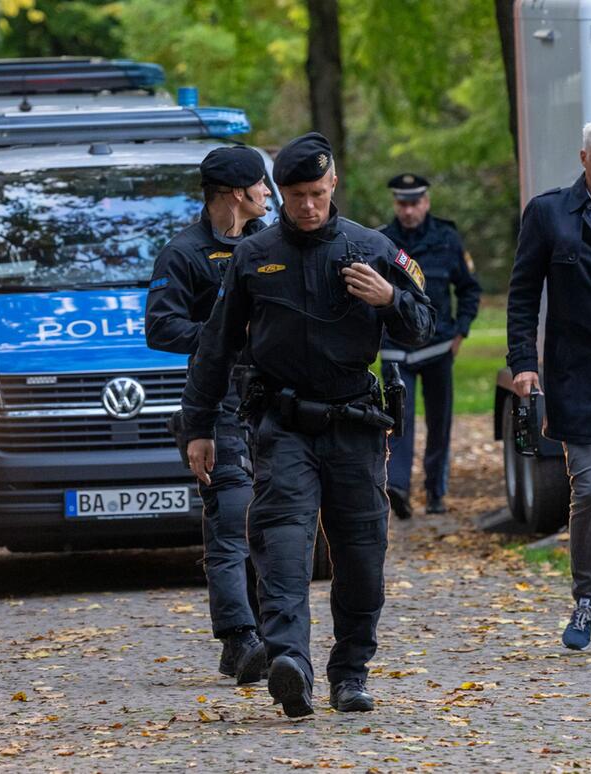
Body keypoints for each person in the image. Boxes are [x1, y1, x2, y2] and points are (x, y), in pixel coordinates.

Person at [182, 133, 434, 717]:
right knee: (283, 546)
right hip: (285, 425)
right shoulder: (253, 254)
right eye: (295, 195)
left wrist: (388, 298)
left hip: (354, 426)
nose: (307, 207)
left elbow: (422, 325)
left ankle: (350, 673)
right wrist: (197, 426)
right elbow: (216, 347)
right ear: (278, 193)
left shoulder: (372, 248)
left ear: (334, 184)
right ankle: (289, 661)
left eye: (317, 193)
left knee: (362, 560)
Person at [145, 145, 272, 684]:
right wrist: (223, 337)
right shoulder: (184, 253)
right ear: (236, 193)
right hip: (215, 401)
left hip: (272, 400)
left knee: (273, 522)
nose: (269, 193)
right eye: (261, 185)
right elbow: (160, 328)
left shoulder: (271, 244)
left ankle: (273, 633)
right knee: (230, 521)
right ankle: (240, 640)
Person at [507, 121, 591, 652]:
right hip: (574, 376)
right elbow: (522, 294)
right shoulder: (548, 213)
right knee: (590, 488)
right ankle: (587, 598)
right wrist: (523, 361)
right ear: (586, 157)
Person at [379, 174, 481, 519]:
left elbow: (469, 289)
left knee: (439, 424)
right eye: (402, 204)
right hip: (395, 349)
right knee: (398, 420)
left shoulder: (447, 239)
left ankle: (435, 491)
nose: (408, 210)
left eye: (414, 203)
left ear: (426, 202)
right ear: (395, 204)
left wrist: (460, 332)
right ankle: (398, 488)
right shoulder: (382, 241)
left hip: (437, 347)